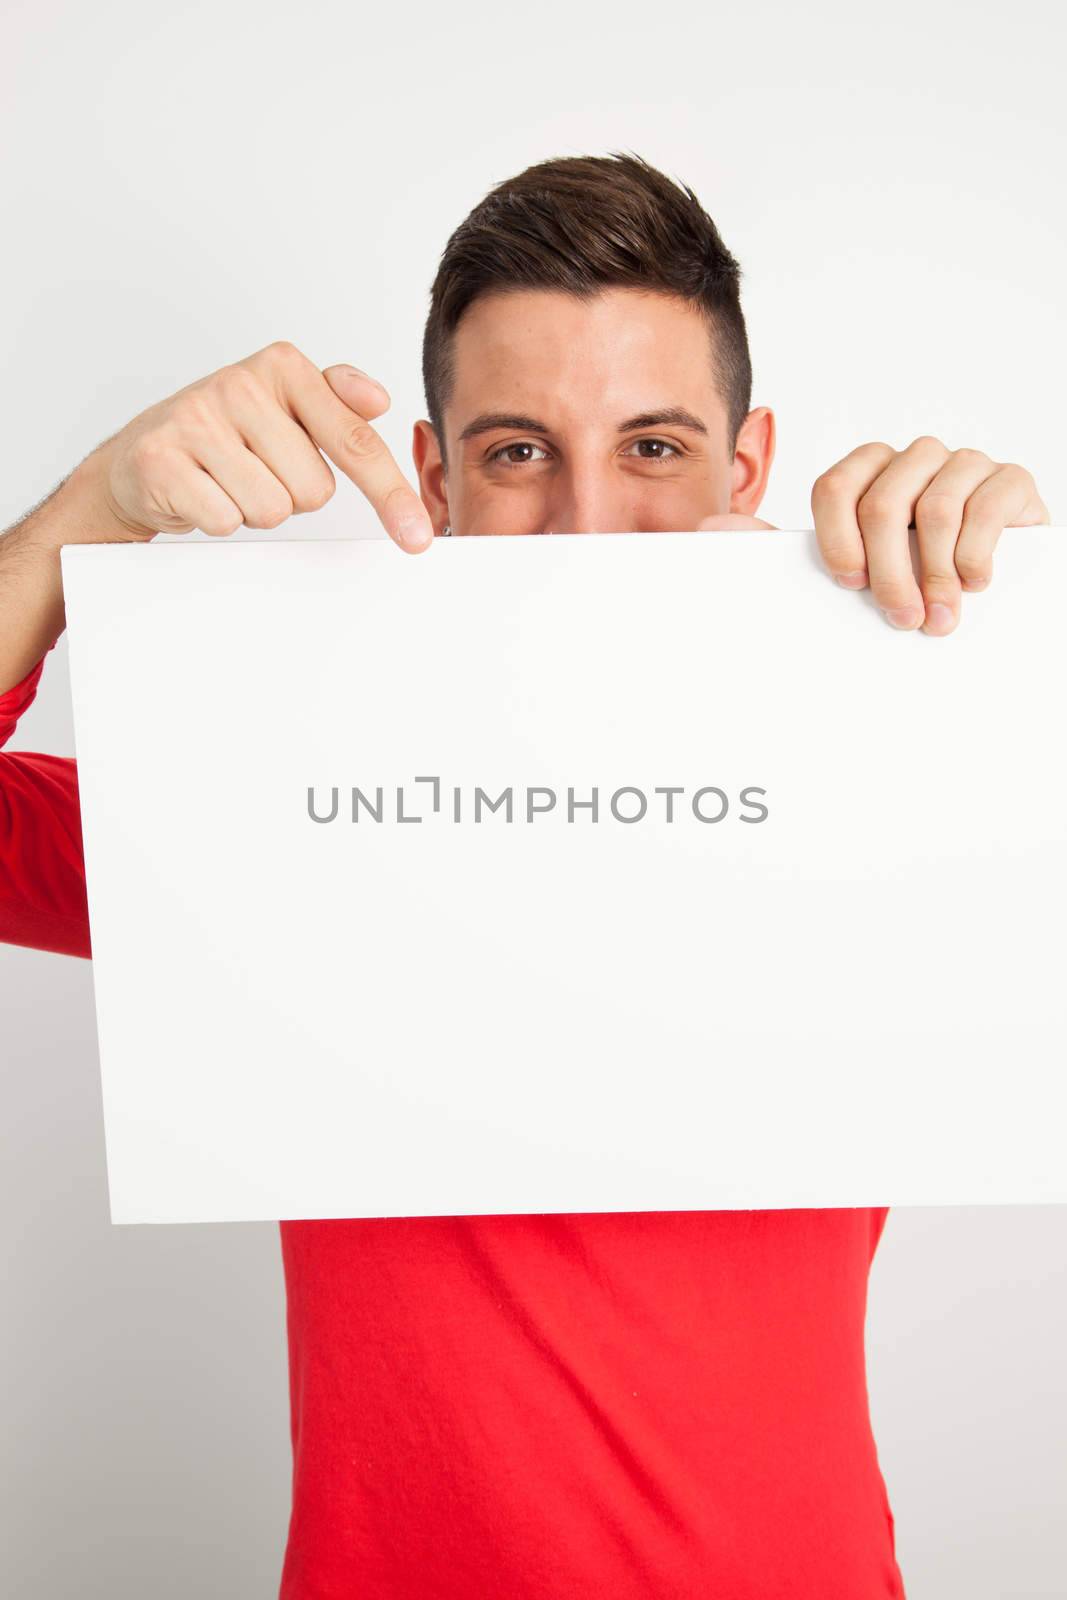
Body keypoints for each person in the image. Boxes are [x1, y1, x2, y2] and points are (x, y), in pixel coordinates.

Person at [0, 153, 1049, 1598]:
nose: (586, 527)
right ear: (432, 477)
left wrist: (1015, 639)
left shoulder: (884, 782)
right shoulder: (278, 820)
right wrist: (84, 518)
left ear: (745, 470)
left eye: (655, 449)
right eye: (516, 452)